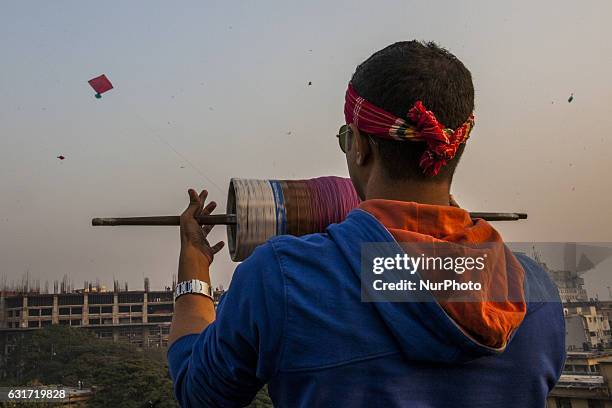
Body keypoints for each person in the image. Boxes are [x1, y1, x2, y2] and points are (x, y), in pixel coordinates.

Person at [167, 41, 565, 407]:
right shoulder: (535, 291)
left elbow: (198, 392)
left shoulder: (280, 281)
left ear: (359, 145)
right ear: (455, 148)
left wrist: (194, 268)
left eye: (346, 137)